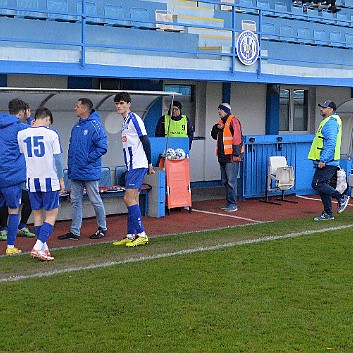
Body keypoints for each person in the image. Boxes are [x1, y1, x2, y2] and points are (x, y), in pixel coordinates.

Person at [18, 107, 65, 261]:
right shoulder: (52, 134)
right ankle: (38, 247)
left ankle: (43, 248)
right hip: (49, 179)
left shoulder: (22, 134)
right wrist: (61, 178)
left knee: (38, 213)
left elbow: (23, 152)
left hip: (32, 180)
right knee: (52, 214)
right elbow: (57, 160)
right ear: (47, 118)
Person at [58, 98, 108, 240]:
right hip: (76, 171)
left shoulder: (95, 126)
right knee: (75, 200)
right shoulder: (77, 127)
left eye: (77, 106)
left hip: (89, 170)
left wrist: (87, 159)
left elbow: (102, 147)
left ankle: (102, 228)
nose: (75, 108)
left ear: (85, 109)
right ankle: (75, 231)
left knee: (95, 199)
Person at [112, 92, 155, 247]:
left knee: (128, 198)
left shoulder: (134, 119)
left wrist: (149, 163)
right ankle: (131, 235)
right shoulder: (125, 122)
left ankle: (142, 234)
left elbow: (145, 140)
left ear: (129, 104)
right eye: (117, 103)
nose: (119, 106)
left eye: (122, 103)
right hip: (132, 165)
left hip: (138, 164)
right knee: (133, 199)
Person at [308, 100, 350, 221]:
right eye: (321, 107)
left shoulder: (331, 123)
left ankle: (341, 197)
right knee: (322, 186)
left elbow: (331, 143)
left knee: (317, 184)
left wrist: (323, 159)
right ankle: (328, 213)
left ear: (331, 110)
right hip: (328, 160)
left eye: (324, 107)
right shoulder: (328, 121)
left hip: (328, 161)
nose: (321, 109)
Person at [0, 101, 35, 241]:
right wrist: (30, 118)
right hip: (12, 176)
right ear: (22, 112)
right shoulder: (21, 128)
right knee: (13, 210)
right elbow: (38, 131)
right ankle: (11, 246)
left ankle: (4, 230)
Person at [211, 103, 243, 212]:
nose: (219, 111)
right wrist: (216, 127)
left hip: (231, 157)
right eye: (218, 109)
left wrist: (236, 155)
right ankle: (229, 203)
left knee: (231, 181)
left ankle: (233, 204)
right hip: (223, 156)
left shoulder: (233, 121)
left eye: (220, 109)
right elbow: (213, 135)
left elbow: (238, 138)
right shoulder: (220, 123)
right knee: (226, 181)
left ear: (226, 111)